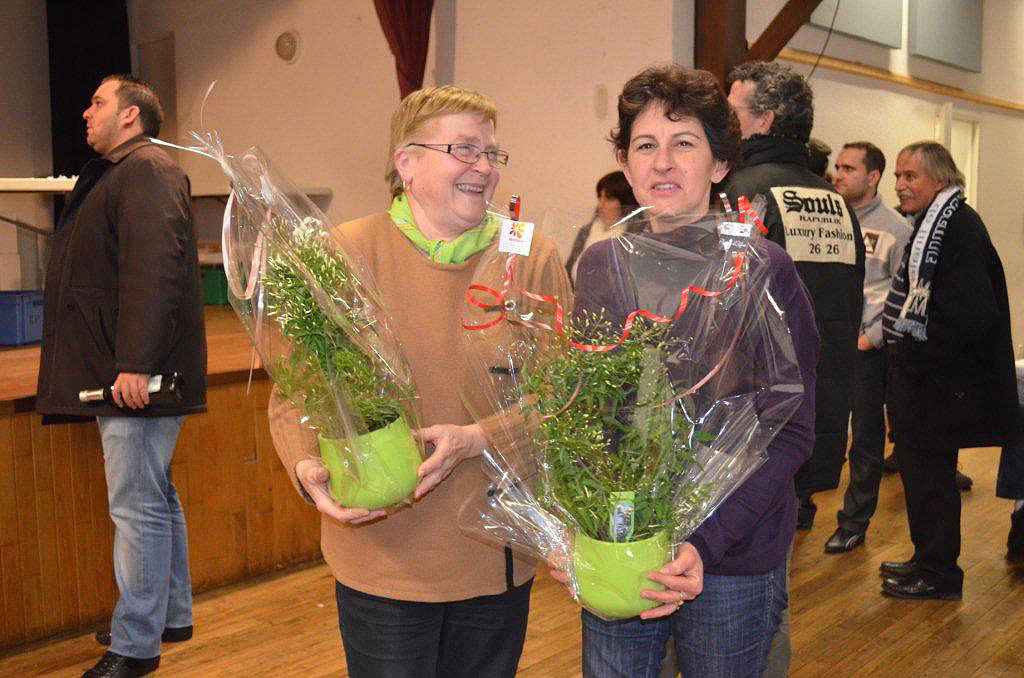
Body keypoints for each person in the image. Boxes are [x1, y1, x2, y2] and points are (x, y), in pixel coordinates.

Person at [266, 85, 572, 677]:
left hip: (495, 557)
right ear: (405, 162)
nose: (483, 167)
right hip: (382, 555)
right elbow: (295, 391)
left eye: (491, 153)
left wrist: (479, 438)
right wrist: (306, 466)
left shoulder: (531, 256)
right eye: (464, 149)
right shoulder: (343, 251)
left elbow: (564, 397)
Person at [568, 64, 819, 678]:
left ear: (720, 163)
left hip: (732, 555)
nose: (663, 163)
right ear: (625, 165)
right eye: (645, 146)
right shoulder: (602, 266)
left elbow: (790, 429)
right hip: (621, 543)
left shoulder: (761, 268)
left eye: (684, 143)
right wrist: (575, 526)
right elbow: (582, 417)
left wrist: (704, 543)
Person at [36, 75, 206, 678]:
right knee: (154, 496)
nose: (86, 112)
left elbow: (153, 271)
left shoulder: (147, 172)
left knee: (138, 507)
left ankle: (136, 646)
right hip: (128, 364)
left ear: (131, 115)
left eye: (98, 102)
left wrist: (136, 361)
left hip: (135, 371)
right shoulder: (128, 172)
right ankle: (168, 615)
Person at [722, 61, 865, 531]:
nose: (724, 122)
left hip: (751, 414)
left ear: (764, 119)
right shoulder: (837, 203)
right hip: (818, 404)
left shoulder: (738, 193)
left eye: (732, 111)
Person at [880, 141, 1018, 599]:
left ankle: (938, 572)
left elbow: (973, 311)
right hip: (929, 378)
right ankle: (927, 559)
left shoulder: (956, 227)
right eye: (898, 176)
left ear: (940, 179)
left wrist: (916, 356)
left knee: (932, 480)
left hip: (939, 381)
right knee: (922, 476)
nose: (900, 185)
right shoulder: (936, 223)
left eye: (910, 176)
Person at [825, 142, 912, 554]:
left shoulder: (898, 229)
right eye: (837, 167)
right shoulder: (828, 219)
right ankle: (803, 506)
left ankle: (854, 521)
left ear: (873, 176)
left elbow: (904, 293)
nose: (839, 174)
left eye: (849, 168)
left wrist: (872, 337)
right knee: (818, 427)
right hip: (829, 343)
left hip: (867, 349)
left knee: (864, 439)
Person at [563, 170, 639, 282]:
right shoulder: (586, 232)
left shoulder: (634, 236)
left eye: (609, 199)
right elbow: (567, 273)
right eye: (600, 197)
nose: (601, 205)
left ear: (625, 202)